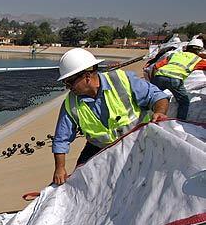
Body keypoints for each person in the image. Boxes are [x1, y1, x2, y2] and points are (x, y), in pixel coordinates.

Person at [52, 48, 170, 185]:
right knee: (82, 180)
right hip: (99, 148)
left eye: (70, 82)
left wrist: (160, 112)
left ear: (87, 76)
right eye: (65, 83)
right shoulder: (70, 103)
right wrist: (59, 168)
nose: (68, 87)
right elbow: (61, 139)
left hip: (138, 141)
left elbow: (158, 97)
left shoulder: (122, 81)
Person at [150, 38, 206, 119]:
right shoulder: (197, 60)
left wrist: (152, 82)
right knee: (184, 102)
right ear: (200, 50)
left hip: (159, 77)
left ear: (187, 47)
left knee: (151, 97)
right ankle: (180, 121)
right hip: (175, 80)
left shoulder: (175, 55)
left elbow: (156, 66)